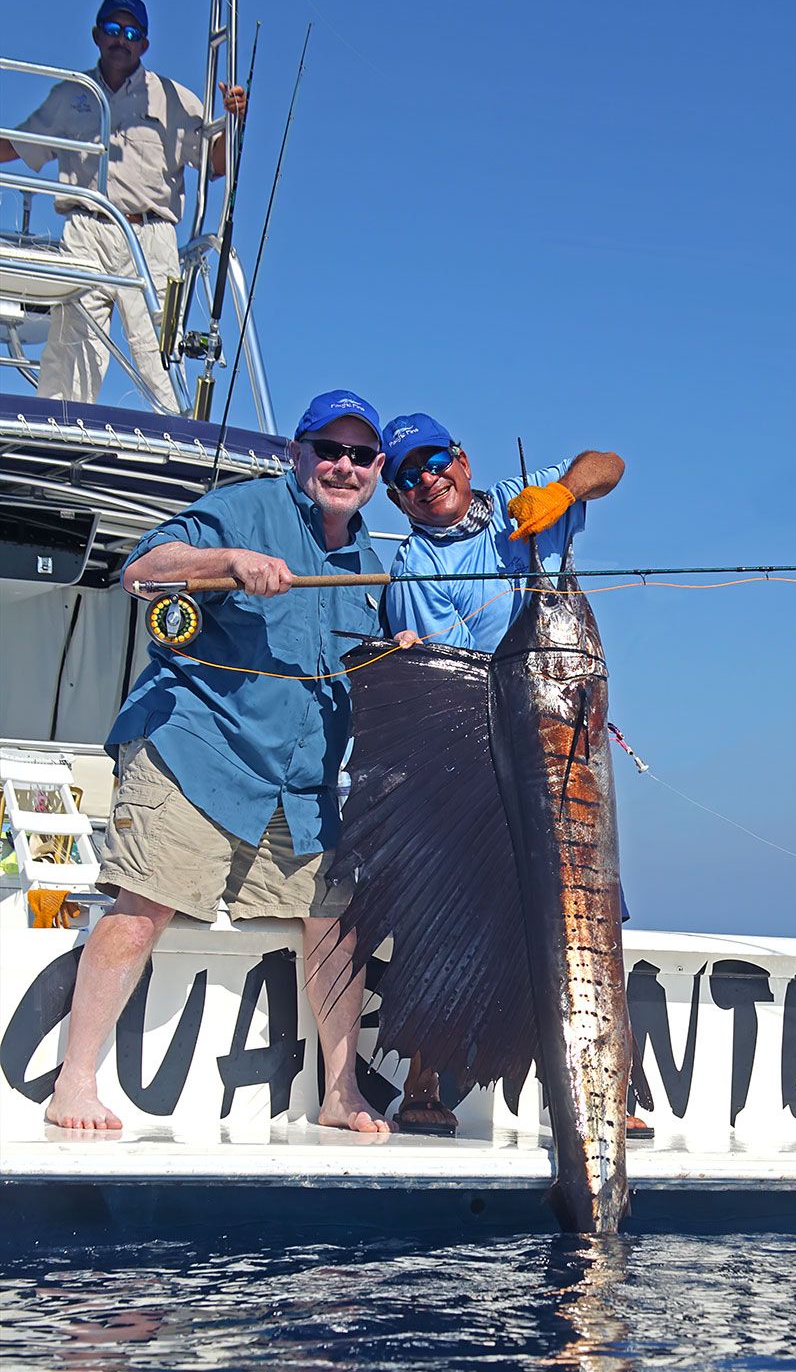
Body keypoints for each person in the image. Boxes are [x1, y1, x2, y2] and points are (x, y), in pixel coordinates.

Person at [45, 389, 392, 1135]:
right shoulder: (246, 508)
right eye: (326, 449)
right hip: (194, 752)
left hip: (299, 789)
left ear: (376, 469)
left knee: (334, 922)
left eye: (359, 455)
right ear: (297, 454)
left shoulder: (372, 565)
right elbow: (145, 571)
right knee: (142, 907)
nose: (341, 465)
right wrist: (226, 561)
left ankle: (340, 1091)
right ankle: (73, 1084)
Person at [377, 413, 651, 1140]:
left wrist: (561, 490)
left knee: (595, 907)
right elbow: (447, 672)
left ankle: (613, 1086)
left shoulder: (519, 502)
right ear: (398, 498)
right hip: (474, 744)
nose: (427, 480)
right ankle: (422, 1081)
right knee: (444, 910)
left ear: (461, 460)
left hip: (561, 734)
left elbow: (609, 460)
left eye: (434, 461)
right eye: (407, 476)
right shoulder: (413, 566)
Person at [0, 0, 247, 412]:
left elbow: (216, 165)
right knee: (71, 345)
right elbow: (21, 144)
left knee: (158, 350)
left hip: (150, 234)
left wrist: (236, 117)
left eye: (131, 33)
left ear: (145, 44)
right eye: (112, 30)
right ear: (96, 35)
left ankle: (178, 433)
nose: (121, 39)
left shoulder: (175, 98)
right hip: (86, 229)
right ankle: (61, 432)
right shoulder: (72, 95)